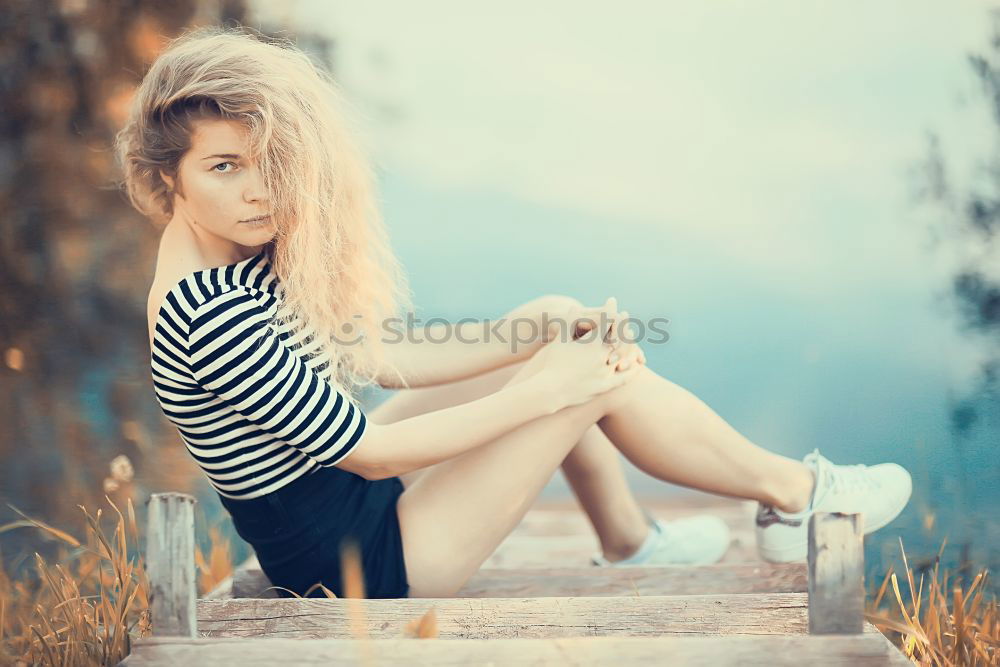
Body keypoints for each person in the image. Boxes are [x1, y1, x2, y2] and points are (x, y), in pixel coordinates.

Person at [117, 25, 912, 599]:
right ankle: (795, 494)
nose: (259, 189)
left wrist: (523, 332)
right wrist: (543, 391)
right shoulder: (208, 314)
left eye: (271, 165)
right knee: (588, 379)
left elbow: (372, 355)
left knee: (563, 332)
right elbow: (371, 452)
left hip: (351, 512)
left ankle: (638, 538)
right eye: (224, 167)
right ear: (167, 179)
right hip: (362, 571)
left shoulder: (237, 260)